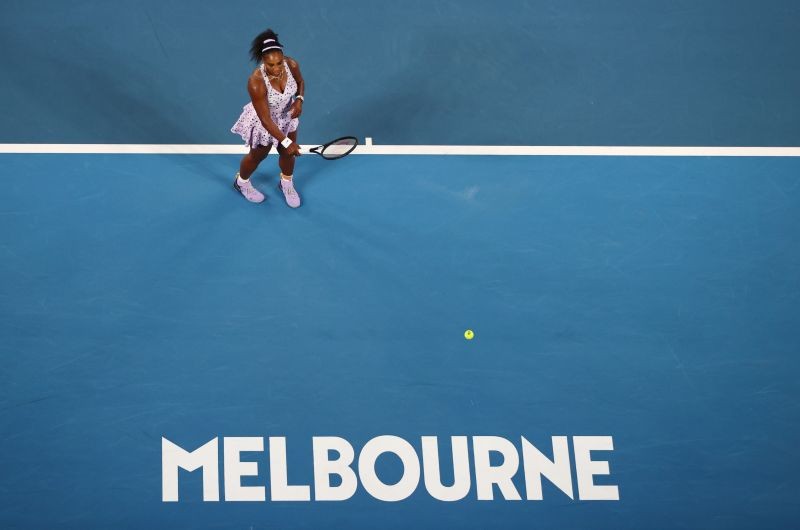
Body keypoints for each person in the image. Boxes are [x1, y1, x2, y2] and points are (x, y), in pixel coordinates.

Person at [231, 29, 304, 207]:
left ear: (283, 57)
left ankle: (286, 183)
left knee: (287, 155)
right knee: (257, 156)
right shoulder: (256, 82)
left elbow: (300, 82)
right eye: (271, 65)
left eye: (279, 62)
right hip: (264, 122)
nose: (277, 68)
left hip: (286, 116)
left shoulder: (291, 65)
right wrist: (287, 142)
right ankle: (241, 183)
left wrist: (299, 100)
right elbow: (265, 119)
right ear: (263, 61)